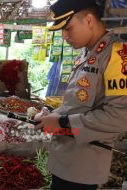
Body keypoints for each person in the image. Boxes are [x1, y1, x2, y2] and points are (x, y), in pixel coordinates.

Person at [34, 0, 127, 189]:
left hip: (83, 169)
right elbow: (76, 102)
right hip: (65, 159)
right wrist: (53, 114)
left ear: (89, 20)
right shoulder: (86, 54)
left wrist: (62, 122)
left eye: (68, 28)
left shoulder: (117, 55)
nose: (65, 36)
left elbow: (120, 117)